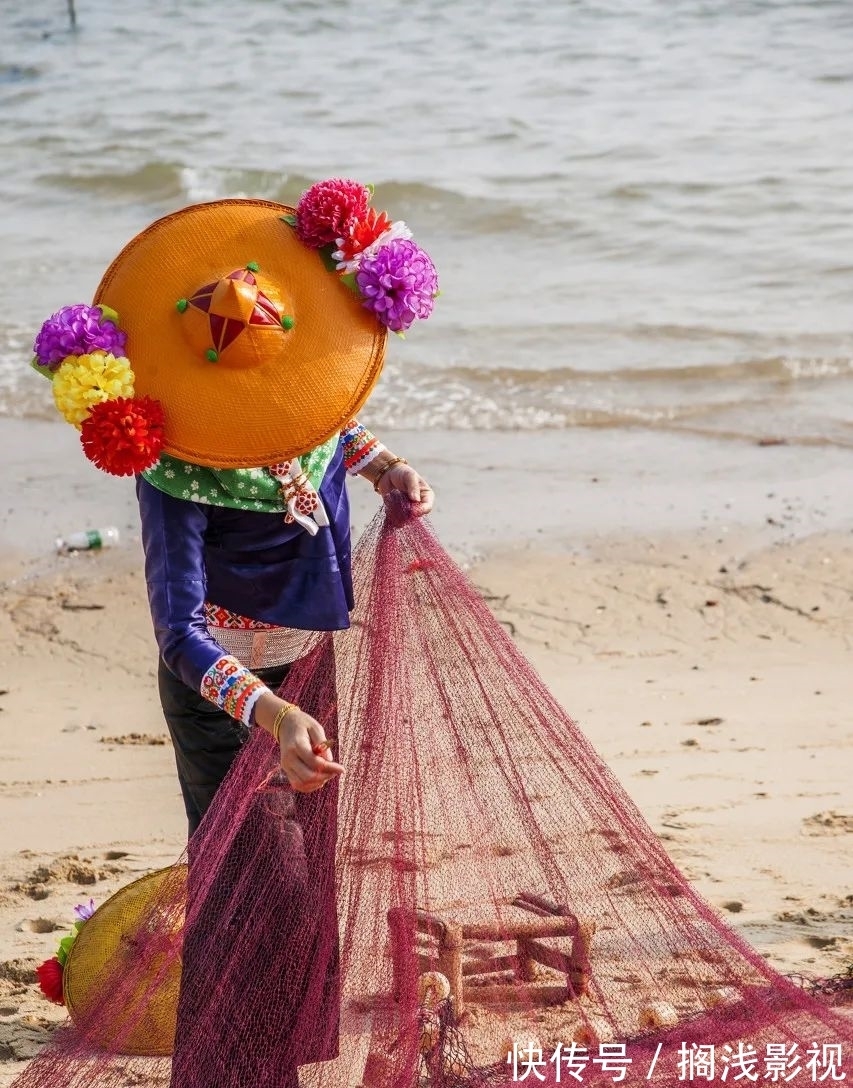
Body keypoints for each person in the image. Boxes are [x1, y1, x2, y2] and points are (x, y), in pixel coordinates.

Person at [31, 177, 439, 1085]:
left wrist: (390, 471)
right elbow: (179, 633)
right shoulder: (179, 467)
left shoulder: (305, 406)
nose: (280, 419)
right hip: (229, 702)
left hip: (307, 664)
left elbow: (337, 431)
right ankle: (234, 1066)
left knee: (308, 874)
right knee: (257, 887)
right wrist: (272, 718)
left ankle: (288, 1054)